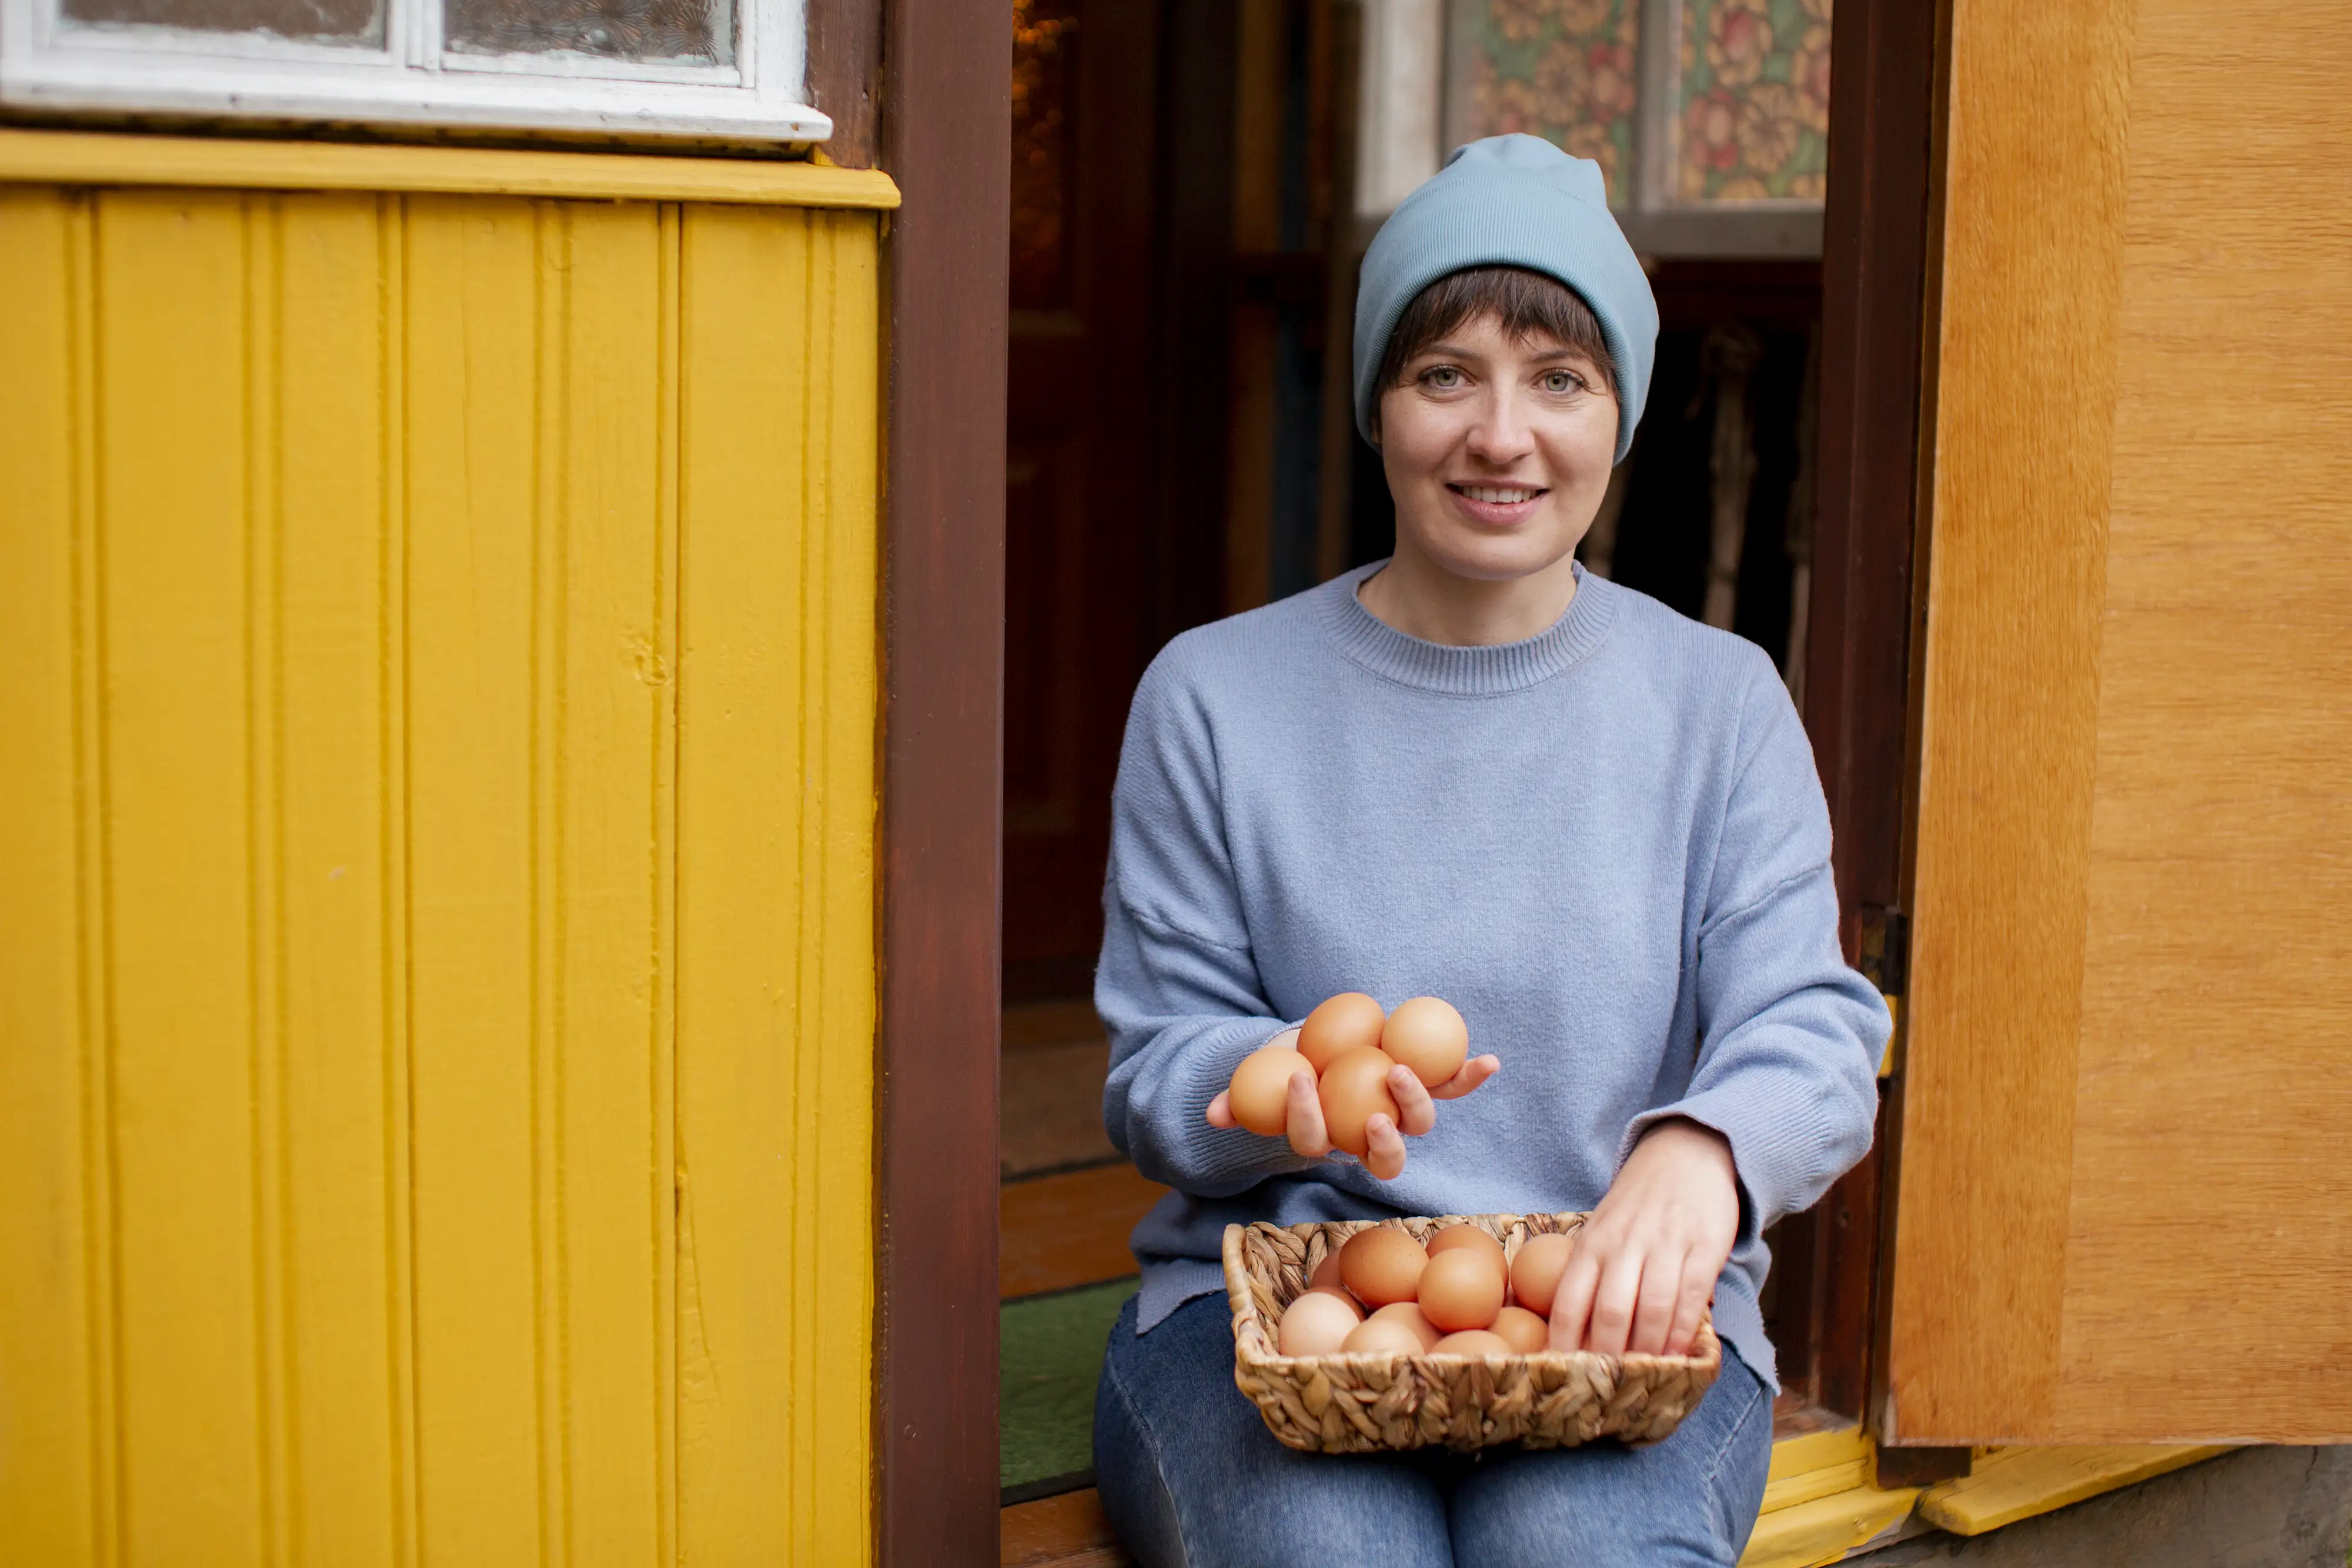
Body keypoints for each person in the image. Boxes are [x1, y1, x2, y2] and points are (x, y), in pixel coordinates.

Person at [1087, 135, 1890, 1567]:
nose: (1500, 435)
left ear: (1620, 414)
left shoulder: (1716, 703)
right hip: (1265, 1321)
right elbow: (1153, 1073)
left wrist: (1706, 1150)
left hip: (1619, 1317)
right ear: (1378, 406)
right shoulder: (1211, 697)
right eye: (1444, 372)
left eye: (1558, 380)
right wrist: (1276, 1090)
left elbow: (1815, 1023)